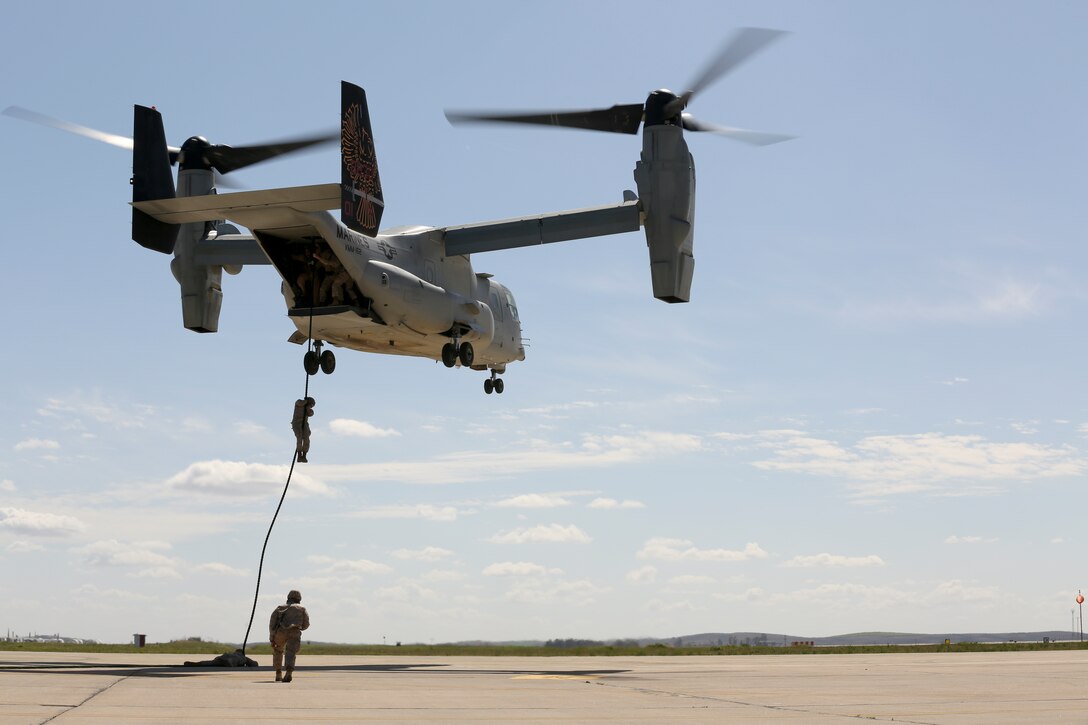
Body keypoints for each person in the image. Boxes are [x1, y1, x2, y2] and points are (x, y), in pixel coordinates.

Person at [269, 589, 310, 682]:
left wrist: (272, 636)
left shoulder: (279, 607)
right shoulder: (302, 608)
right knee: (291, 653)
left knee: (278, 651)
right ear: (299, 599)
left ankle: (278, 673)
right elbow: (306, 624)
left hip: (280, 632)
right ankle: (288, 673)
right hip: (294, 632)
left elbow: (272, 623)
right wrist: (300, 628)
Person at [291, 397, 315, 463]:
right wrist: (306, 402)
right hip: (297, 423)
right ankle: (299, 455)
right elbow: (300, 403)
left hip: (304, 424)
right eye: (311, 405)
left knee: (306, 439)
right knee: (299, 437)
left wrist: (308, 408)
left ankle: (304, 455)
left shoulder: (308, 409)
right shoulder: (299, 402)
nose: (311, 406)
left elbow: (311, 414)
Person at [183, 648, 258, 667]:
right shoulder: (242, 657)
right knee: (232, 661)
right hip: (231, 660)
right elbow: (254, 664)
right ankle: (229, 662)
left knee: (210, 663)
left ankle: (198, 664)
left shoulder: (232, 654)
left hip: (223, 657)